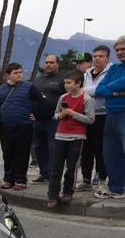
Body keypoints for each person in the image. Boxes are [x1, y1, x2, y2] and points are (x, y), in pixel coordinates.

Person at [0, 63, 47, 191]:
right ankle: (8, 179)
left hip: (24, 126)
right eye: (16, 73)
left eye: (20, 72)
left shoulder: (29, 87)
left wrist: (37, 115)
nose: (19, 75)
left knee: (21, 153)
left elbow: (42, 101)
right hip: (6, 126)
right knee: (7, 153)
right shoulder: (2, 89)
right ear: (8, 75)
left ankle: (20, 180)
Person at [46, 70, 95, 208]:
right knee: (56, 166)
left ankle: (68, 191)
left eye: (69, 83)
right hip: (60, 135)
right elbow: (56, 114)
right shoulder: (63, 97)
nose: (66, 85)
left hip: (77, 136)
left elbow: (90, 119)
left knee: (72, 167)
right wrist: (59, 116)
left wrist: (73, 114)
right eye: (65, 83)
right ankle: (53, 195)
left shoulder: (86, 99)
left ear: (78, 83)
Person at [76, 45, 112, 192]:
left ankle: (101, 176)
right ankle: (85, 178)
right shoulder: (85, 75)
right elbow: (77, 91)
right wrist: (94, 91)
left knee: (101, 149)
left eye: (101, 56)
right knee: (85, 150)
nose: (97, 58)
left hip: (103, 115)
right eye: (95, 56)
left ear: (107, 58)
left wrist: (85, 90)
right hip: (86, 116)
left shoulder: (110, 72)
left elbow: (106, 90)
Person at [94, 35, 125, 199]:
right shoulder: (114, 68)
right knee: (111, 154)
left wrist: (110, 88)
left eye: (123, 49)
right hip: (111, 115)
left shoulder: (113, 71)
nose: (120, 52)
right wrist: (117, 92)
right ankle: (117, 189)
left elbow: (108, 86)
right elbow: (99, 89)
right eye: (117, 50)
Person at [31, 55, 66, 184]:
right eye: (46, 62)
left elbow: (68, 97)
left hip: (54, 121)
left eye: (52, 62)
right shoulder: (38, 81)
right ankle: (44, 173)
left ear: (58, 64)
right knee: (39, 147)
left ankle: (53, 175)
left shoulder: (62, 79)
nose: (48, 65)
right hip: (37, 121)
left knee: (53, 149)